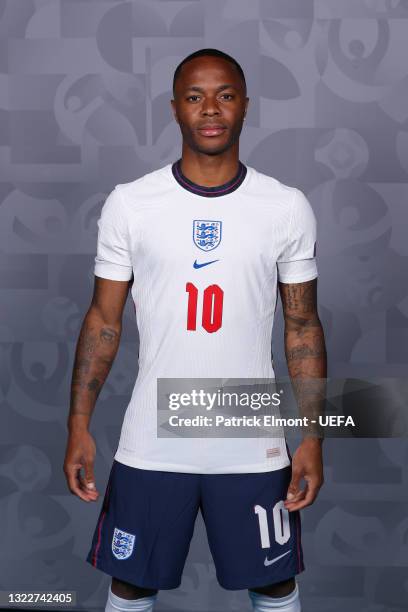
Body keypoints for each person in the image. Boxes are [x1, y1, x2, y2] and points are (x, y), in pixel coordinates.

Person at [63, 48, 326, 612]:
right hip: (153, 443)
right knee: (131, 586)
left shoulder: (285, 206)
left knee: (275, 587)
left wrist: (313, 436)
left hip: (251, 442)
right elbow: (103, 321)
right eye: (195, 96)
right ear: (175, 109)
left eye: (225, 95)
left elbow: (302, 325)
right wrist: (79, 424)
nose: (211, 109)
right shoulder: (131, 204)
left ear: (246, 107)